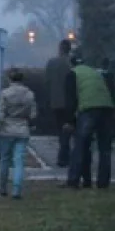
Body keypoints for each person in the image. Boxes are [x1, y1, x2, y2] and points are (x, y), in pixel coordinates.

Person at [62, 55, 115, 190]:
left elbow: (71, 99)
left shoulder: (73, 74)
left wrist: (69, 121)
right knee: (105, 149)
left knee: (80, 145)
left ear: (71, 64)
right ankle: (103, 183)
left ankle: (74, 181)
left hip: (89, 110)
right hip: (107, 108)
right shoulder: (95, 73)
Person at [0, 68, 37, 199]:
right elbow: (33, 114)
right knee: (19, 161)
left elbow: (0, 114)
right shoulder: (29, 94)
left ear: (10, 79)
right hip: (22, 129)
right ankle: (16, 189)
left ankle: (2, 186)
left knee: (5, 159)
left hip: (7, 129)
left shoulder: (5, 94)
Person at [46, 39, 74, 168]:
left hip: (55, 101)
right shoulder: (71, 63)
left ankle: (63, 155)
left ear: (60, 48)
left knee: (60, 129)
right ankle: (64, 156)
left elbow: (47, 82)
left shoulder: (51, 63)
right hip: (71, 102)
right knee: (69, 130)